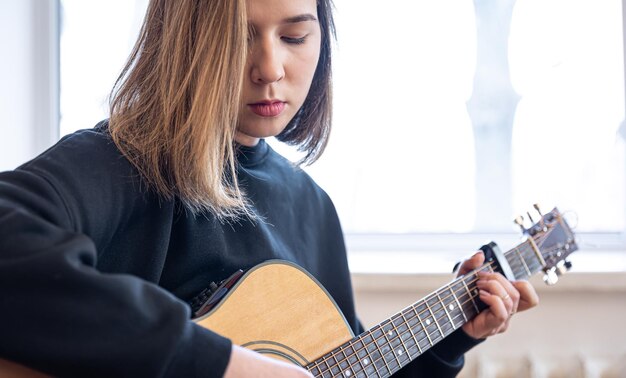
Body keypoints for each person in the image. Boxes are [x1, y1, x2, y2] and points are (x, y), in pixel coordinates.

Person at [0, 0, 539, 376]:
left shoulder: (311, 207)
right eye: (237, 37)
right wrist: (220, 364)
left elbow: (339, 369)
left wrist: (454, 337)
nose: (269, 68)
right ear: (184, 43)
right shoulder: (122, 161)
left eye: (294, 36)